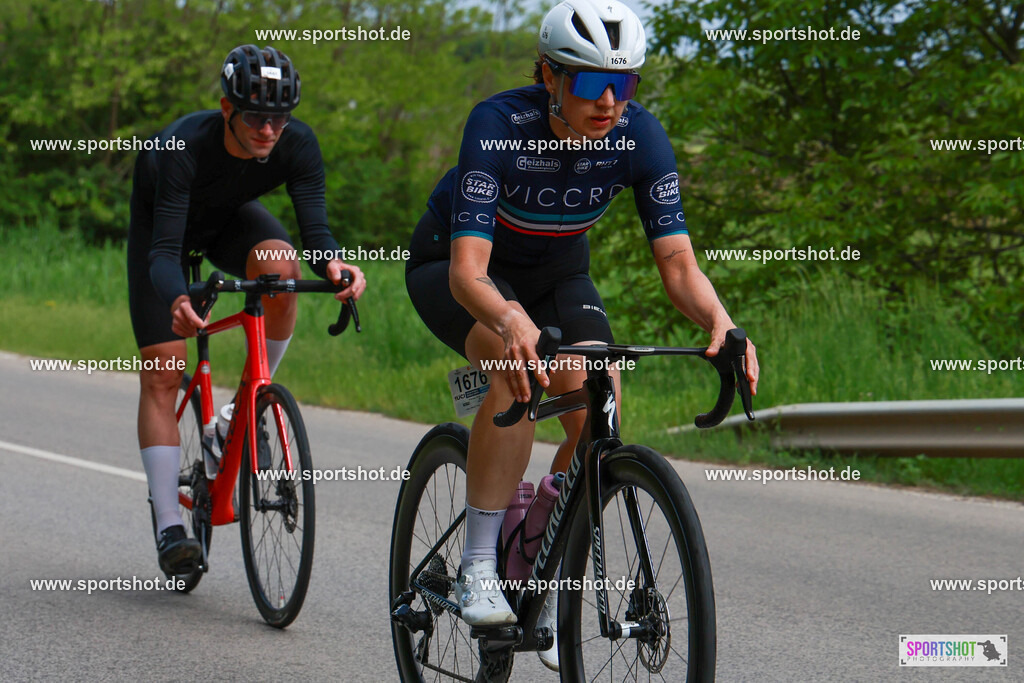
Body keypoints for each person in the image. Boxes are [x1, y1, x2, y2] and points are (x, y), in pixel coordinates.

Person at [405, 0, 760, 671]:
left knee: (601, 403)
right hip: (458, 272)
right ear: (548, 76)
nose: (607, 101)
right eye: (590, 83)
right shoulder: (497, 125)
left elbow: (678, 262)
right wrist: (509, 319)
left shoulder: (641, 137)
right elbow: (468, 271)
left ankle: (543, 558)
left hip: (558, 273)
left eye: (621, 84)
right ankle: (480, 563)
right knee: (520, 372)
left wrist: (720, 321)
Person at [127, 45, 366, 577]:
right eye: (257, 116)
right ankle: (171, 527)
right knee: (163, 375)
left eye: (280, 117)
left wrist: (334, 266)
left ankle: (239, 412)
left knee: (281, 266)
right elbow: (165, 254)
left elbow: (316, 233)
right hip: (163, 234)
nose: (269, 129)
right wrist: (178, 299)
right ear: (226, 108)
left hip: (228, 225)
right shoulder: (184, 145)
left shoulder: (297, 143)